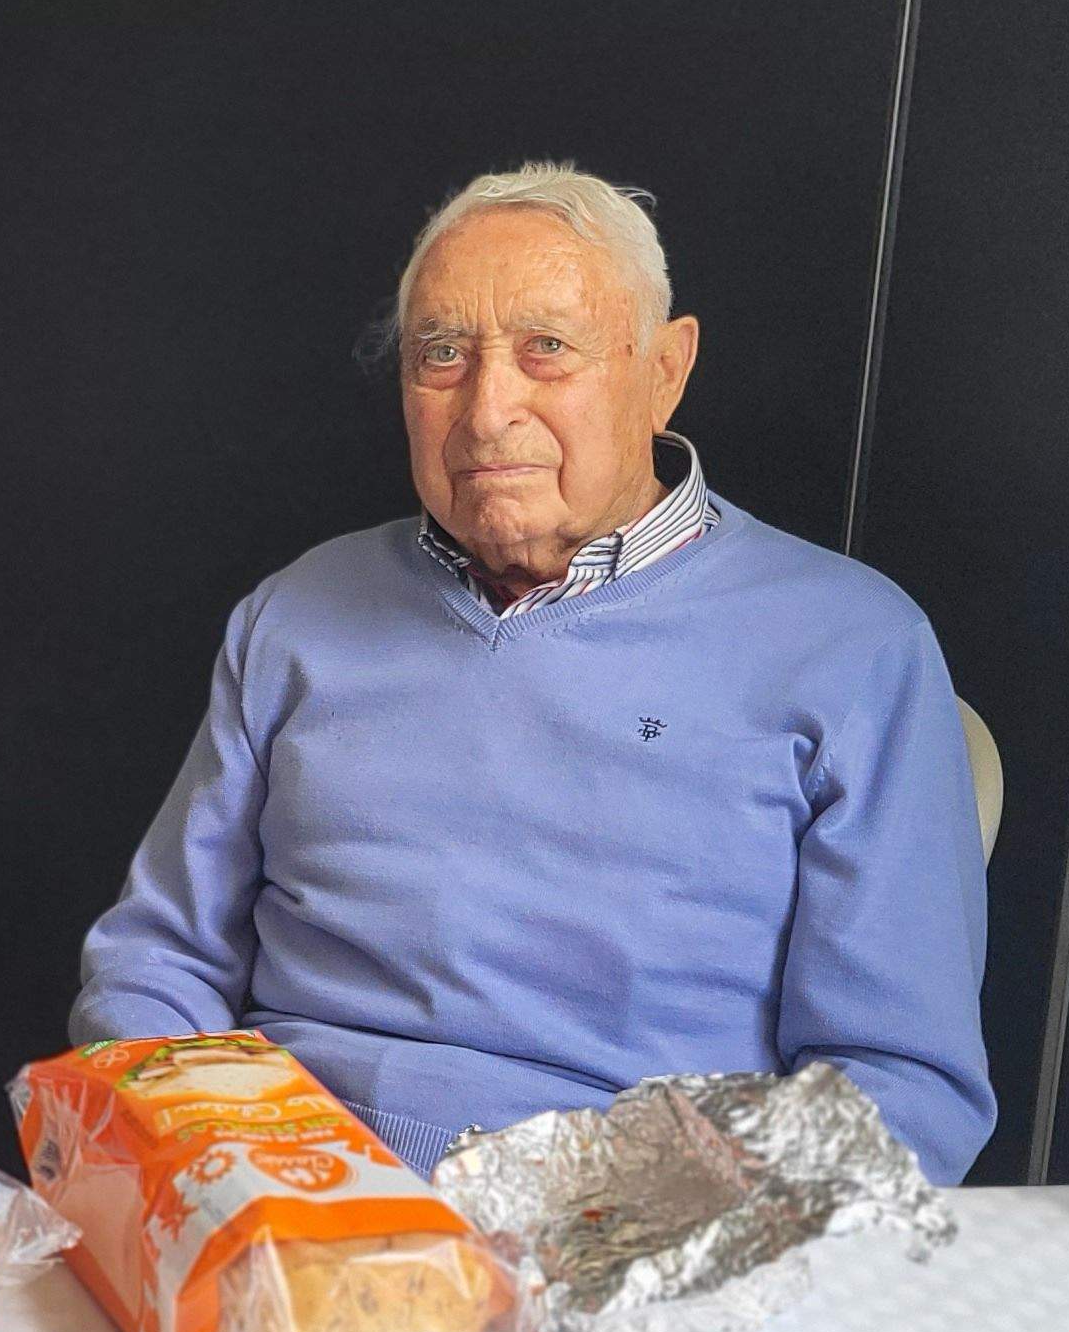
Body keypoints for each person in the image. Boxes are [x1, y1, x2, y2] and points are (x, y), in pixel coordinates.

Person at [70, 162, 995, 1180]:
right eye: (441, 356)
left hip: (641, 1225)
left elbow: (900, 1085)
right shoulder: (297, 613)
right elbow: (157, 963)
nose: (485, 410)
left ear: (664, 368)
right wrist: (203, 1179)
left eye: (546, 349)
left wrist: (630, 1247)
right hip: (287, 1191)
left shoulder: (849, 646)